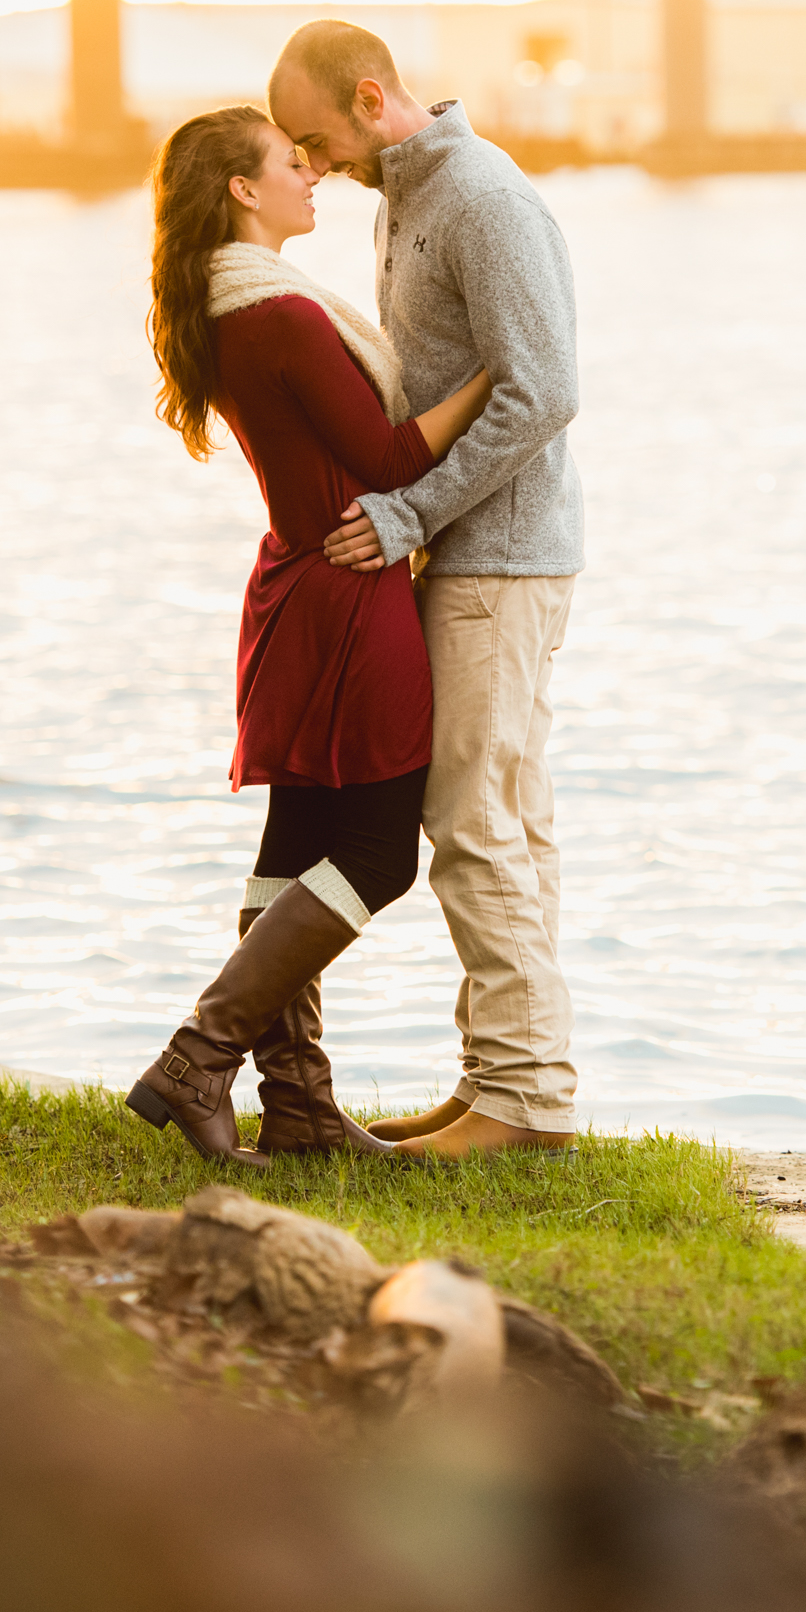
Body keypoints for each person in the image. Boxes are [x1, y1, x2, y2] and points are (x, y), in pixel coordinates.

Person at [127, 103, 493, 1165]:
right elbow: (385, 463)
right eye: (292, 164)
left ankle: (296, 1107)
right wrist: (496, 377)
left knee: (292, 852)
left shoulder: (226, 306)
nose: (312, 175)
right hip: (348, 591)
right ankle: (202, 1050)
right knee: (377, 854)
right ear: (242, 190)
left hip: (299, 584)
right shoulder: (277, 315)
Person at [269, 21, 585, 1161]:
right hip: (473, 551)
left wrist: (405, 515)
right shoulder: (407, 193)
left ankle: (522, 1100)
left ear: (369, 98)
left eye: (318, 141)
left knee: (469, 820)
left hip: (501, 555)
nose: (314, 168)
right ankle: (501, 1081)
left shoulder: (482, 198)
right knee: (504, 818)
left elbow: (544, 391)